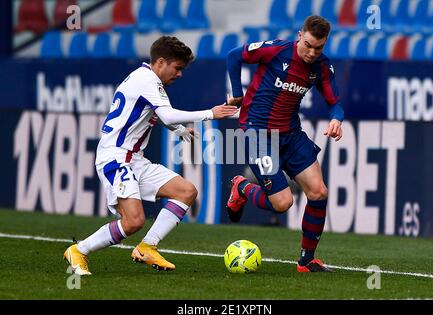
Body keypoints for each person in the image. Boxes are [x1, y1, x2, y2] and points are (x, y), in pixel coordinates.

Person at [64, 36, 238, 275]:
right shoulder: (147, 80)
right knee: (133, 221)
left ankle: (147, 247)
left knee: (186, 191)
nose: (180, 74)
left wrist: (178, 130)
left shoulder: (146, 79)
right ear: (161, 62)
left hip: (134, 159)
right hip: (116, 158)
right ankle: (79, 250)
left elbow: (150, 114)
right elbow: (166, 115)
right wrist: (210, 113)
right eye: (177, 68)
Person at [226, 15, 343, 272]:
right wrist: (237, 92)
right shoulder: (276, 50)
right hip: (257, 132)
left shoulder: (322, 67)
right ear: (300, 36)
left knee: (319, 192)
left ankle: (306, 260)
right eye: (308, 45)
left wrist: (337, 120)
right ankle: (242, 187)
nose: (312, 52)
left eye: (319, 47)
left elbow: (335, 103)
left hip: (290, 134)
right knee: (282, 203)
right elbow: (235, 55)